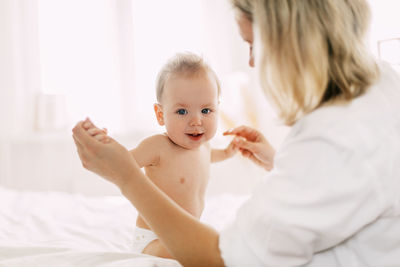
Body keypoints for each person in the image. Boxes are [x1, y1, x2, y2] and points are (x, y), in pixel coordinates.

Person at [73, 0, 400, 266]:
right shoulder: (381, 82)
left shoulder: (336, 137)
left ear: (294, 40)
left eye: (253, 43)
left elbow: (224, 259)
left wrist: (128, 178)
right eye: (182, 111)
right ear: (161, 113)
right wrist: (281, 161)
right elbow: (335, 182)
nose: (253, 61)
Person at [86, 52, 237, 258]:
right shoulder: (158, 147)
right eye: (182, 112)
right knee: (192, 255)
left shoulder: (204, 146)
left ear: (217, 108)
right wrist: (104, 145)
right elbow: (122, 163)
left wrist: (228, 152)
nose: (196, 121)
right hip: (155, 238)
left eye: (206, 110)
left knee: (211, 248)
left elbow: (209, 158)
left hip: (187, 234)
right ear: (160, 114)